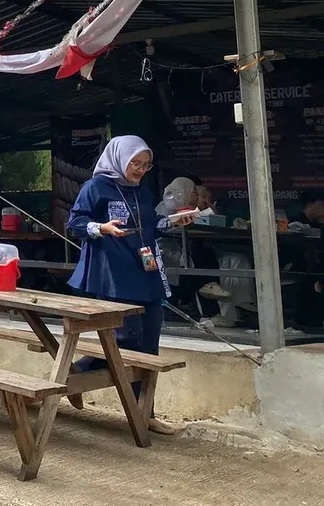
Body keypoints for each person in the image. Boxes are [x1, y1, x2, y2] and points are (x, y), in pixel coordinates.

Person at [67, 135, 195, 435]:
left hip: (145, 272)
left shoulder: (142, 191)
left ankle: (144, 414)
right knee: (123, 340)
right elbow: (74, 224)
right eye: (134, 163)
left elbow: (149, 227)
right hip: (112, 275)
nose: (139, 170)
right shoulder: (95, 188)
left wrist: (174, 222)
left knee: (149, 345)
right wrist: (102, 228)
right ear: (119, 158)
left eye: (145, 165)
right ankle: (74, 377)